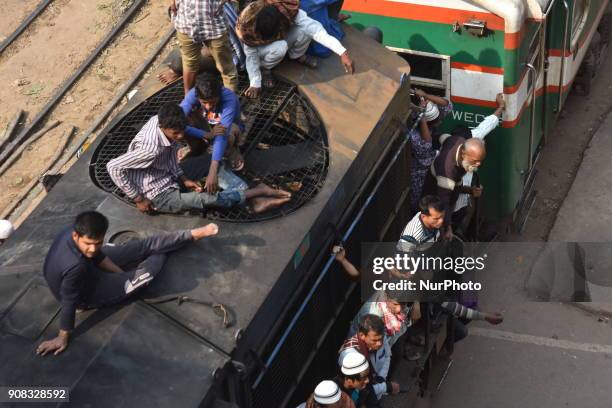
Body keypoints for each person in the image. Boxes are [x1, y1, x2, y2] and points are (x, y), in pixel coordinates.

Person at [36, 211, 219, 356]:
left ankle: (191, 235)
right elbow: (69, 301)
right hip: (86, 294)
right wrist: (62, 337)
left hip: (88, 268)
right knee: (146, 274)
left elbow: (96, 255)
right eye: (89, 243)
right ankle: (164, 250)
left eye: (98, 242)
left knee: (140, 247)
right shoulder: (74, 265)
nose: (93, 248)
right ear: (76, 236)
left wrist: (120, 273)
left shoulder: (74, 234)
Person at [107, 103, 291, 215]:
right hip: (155, 193)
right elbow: (113, 167)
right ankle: (254, 193)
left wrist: (184, 178)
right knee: (202, 200)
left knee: (211, 162)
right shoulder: (150, 149)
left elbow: (169, 154)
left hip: (167, 174)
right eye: (175, 133)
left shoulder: (161, 120)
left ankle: (248, 196)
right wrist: (138, 198)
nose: (180, 136)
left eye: (182, 130)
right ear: (163, 126)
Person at [236, 0, 354, 98]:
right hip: (263, 49)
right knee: (280, 47)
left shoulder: (287, 9)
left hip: (279, 35)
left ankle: (297, 55)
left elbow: (316, 30)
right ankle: (266, 68)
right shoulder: (247, 27)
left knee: (305, 30)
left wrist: (342, 52)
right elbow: (251, 57)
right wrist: (255, 83)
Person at [451, 93, 505, 239]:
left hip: (464, 199)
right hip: (450, 207)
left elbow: (487, 124)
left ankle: (466, 234)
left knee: (469, 209)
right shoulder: (446, 162)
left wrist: (500, 106)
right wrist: (469, 191)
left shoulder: (472, 139)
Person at [180, 73, 246, 191]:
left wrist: (212, 170)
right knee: (185, 120)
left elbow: (222, 135)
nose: (208, 106)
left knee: (228, 133)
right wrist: (205, 134)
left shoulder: (229, 98)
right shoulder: (193, 94)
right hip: (207, 128)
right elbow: (177, 120)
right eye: (204, 102)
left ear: (219, 94)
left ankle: (230, 150)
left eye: (213, 102)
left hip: (228, 130)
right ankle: (199, 149)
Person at [421, 131, 487, 240]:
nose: (478, 165)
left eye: (480, 161)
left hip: (447, 196)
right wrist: (447, 228)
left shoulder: (457, 140)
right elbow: (443, 203)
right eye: (474, 161)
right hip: (433, 205)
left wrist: (469, 190)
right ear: (463, 154)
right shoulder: (447, 171)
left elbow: (440, 137)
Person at [165, 0, 239, 94]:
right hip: (186, 23)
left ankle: (230, 101)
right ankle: (188, 100)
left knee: (226, 67)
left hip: (214, 24)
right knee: (189, 64)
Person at [408, 89, 453, 210]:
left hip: (431, 170)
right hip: (418, 172)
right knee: (417, 202)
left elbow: (447, 104)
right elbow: (426, 145)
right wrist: (421, 117)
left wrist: (426, 95)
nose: (440, 122)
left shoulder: (433, 116)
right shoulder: (415, 135)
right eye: (437, 122)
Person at [338, 314, 399, 399]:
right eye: (375, 340)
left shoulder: (379, 336)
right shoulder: (349, 356)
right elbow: (359, 387)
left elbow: (387, 356)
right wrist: (385, 387)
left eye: (381, 339)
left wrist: (381, 377)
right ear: (362, 335)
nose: (379, 343)